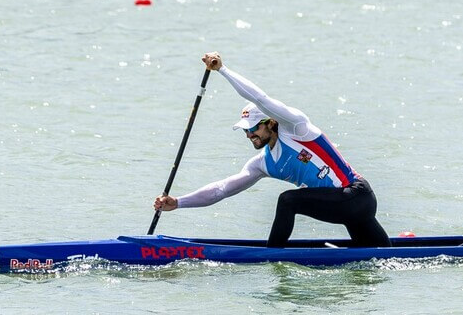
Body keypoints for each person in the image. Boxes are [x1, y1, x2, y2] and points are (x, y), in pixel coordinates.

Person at [153, 52, 391, 248]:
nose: (249, 135)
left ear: (271, 123)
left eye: (253, 128)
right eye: (245, 131)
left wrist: (222, 70)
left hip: (356, 195)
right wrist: (178, 202)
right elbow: (222, 190)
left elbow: (260, 98)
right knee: (381, 254)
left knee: (287, 200)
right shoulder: (263, 163)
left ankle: (272, 254)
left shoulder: (297, 128)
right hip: (348, 210)